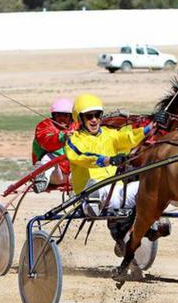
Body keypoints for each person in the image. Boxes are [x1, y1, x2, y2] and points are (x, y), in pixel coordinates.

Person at [64, 93, 169, 253]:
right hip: (90, 193)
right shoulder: (74, 140)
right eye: (89, 116)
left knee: (146, 187)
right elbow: (81, 157)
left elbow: (128, 137)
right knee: (95, 189)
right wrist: (107, 160)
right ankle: (92, 203)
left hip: (116, 191)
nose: (94, 120)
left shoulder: (109, 134)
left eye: (97, 115)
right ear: (80, 118)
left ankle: (151, 223)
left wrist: (151, 127)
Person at [31, 98, 75, 193]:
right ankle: (41, 180)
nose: (62, 118)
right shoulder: (45, 126)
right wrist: (62, 137)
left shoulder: (78, 126)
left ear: (71, 116)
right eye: (58, 115)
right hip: (55, 175)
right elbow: (45, 142)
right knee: (48, 157)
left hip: (74, 174)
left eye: (65, 115)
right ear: (53, 115)